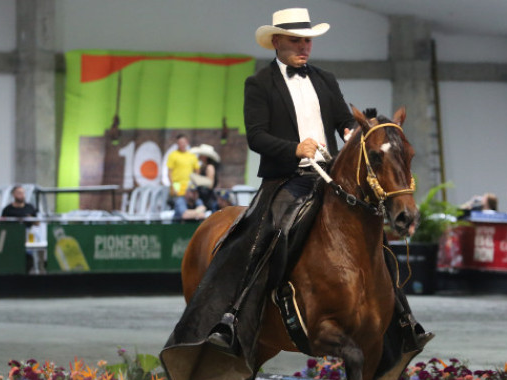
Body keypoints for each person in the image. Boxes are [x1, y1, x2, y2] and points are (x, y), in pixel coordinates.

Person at [172, 7, 431, 356]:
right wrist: (295, 147)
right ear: (276, 41)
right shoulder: (259, 83)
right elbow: (257, 137)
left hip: (329, 176)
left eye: (307, 40)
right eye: (296, 40)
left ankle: (403, 319)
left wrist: (354, 133)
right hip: (285, 178)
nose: (303, 46)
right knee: (268, 234)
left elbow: (343, 121)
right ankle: (231, 316)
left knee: (374, 235)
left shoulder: (325, 79)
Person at [190, 143, 221, 210]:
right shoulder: (202, 167)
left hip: (208, 199)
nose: (199, 156)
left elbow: (210, 184)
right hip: (202, 197)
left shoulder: (210, 167)